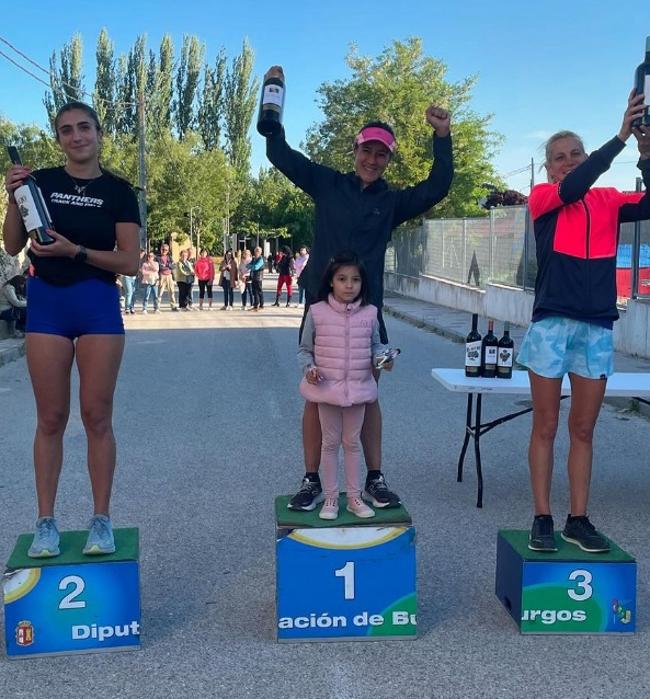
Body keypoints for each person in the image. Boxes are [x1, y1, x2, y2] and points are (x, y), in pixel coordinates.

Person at [263, 64, 453, 511]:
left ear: (388, 159)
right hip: (320, 307)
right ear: (355, 151)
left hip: (368, 309)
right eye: (367, 151)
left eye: (381, 154)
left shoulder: (391, 202)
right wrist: (273, 102)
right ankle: (312, 478)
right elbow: (280, 155)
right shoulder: (327, 183)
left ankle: (374, 477)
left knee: (367, 394)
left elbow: (438, 186)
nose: (372, 159)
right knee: (316, 390)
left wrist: (442, 138)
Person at [2, 100, 141, 557]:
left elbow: (131, 262)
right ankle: (46, 523)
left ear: (99, 134)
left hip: (97, 305)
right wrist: (12, 197)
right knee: (50, 419)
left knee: (97, 418)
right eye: (66, 130)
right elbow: (12, 243)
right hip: (48, 307)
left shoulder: (119, 191)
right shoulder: (39, 183)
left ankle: (101, 520)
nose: (77, 136)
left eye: (84, 127)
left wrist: (75, 251)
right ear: (58, 137)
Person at [518, 90, 650, 553]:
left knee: (583, 429)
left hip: (596, 325)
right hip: (553, 324)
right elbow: (574, 189)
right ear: (550, 168)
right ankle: (541, 517)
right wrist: (618, 140)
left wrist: (646, 154)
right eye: (560, 157)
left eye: (576, 154)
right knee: (546, 426)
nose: (569, 162)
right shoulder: (544, 198)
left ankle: (578, 517)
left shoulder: (609, 199)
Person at [298, 253, 396, 519]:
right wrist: (310, 370)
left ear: (363, 283)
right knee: (330, 444)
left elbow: (376, 347)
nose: (349, 285)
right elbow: (305, 350)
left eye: (355, 280)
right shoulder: (316, 312)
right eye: (342, 279)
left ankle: (354, 498)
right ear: (331, 281)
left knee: (351, 443)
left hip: (358, 391)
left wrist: (383, 359)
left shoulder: (370, 313)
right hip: (326, 392)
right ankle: (330, 499)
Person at [157, 243, 178, 311]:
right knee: (160, 292)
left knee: (171, 292)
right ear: (160, 249)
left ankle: (173, 306)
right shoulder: (157, 257)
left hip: (169, 276)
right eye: (163, 249)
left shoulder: (169, 257)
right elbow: (159, 267)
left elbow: (174, 266)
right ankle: (157, 306)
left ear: (168, 250)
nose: (164, 251)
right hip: (162, 276)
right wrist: (168, 266)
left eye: (166, 250)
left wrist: (167, 266)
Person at [249, 246, 265, 311]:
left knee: (259, 291)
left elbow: (256, 267)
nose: (256, 252)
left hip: (258, 278)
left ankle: (261, 305)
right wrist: (252, 266)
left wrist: (251, 266)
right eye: (256, 251)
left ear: (260, 252)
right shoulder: (254, 259)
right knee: (254, 292)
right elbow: (248, 266)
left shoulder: (261, 259)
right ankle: (255, 305)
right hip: (253, 277)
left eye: (258, 251)